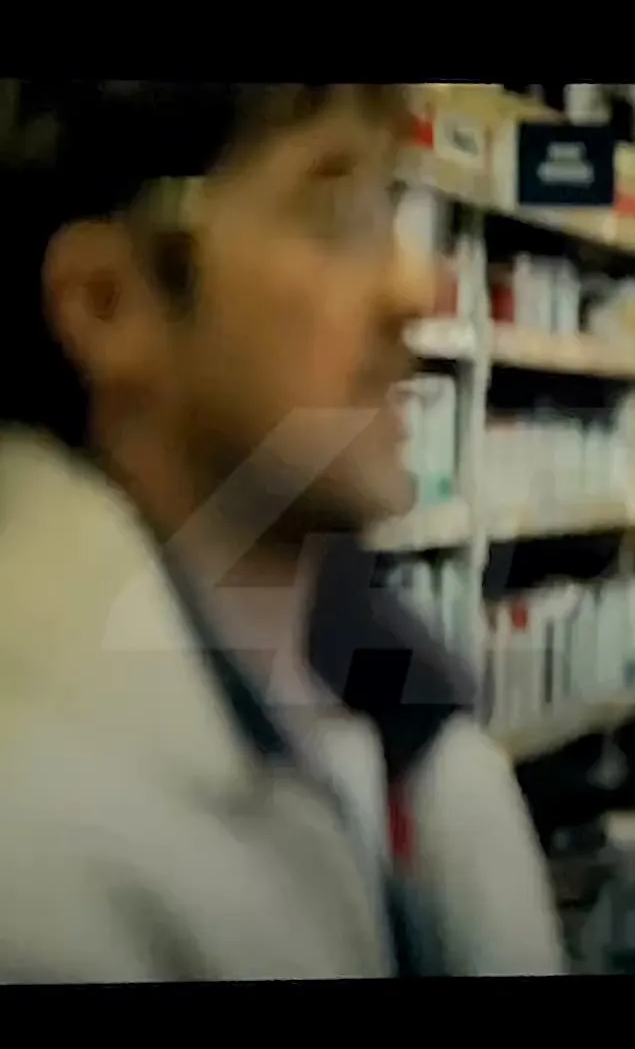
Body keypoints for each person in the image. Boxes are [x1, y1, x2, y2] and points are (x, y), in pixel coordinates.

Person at [0, 82, 562, 980]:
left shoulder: (382, 728)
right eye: (335, 212)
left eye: (389, 206)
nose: (416, 287)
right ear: (108, 302)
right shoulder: (47, 871)